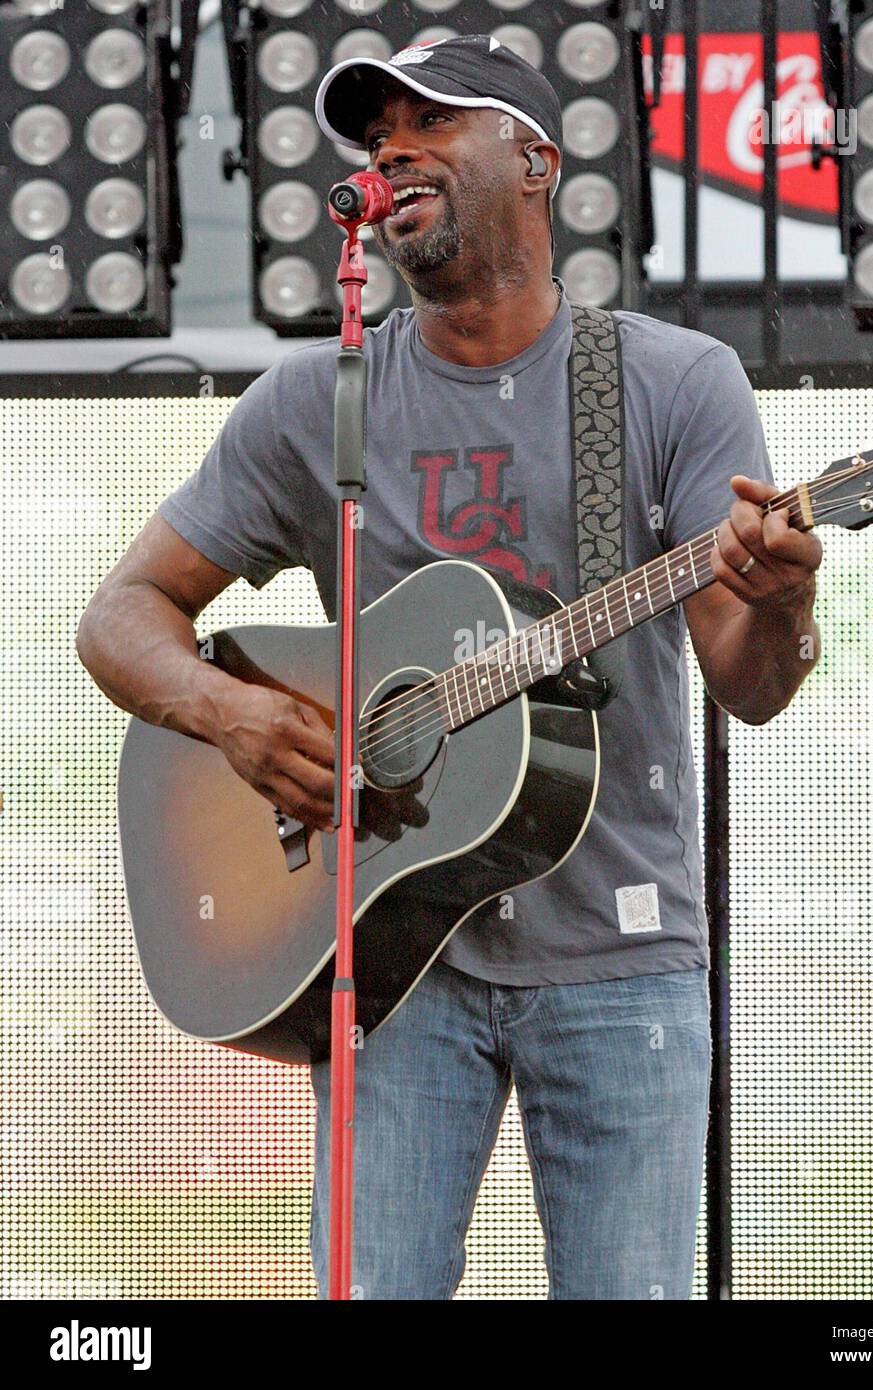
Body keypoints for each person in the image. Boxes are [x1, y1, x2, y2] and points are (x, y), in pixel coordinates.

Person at [76, 34, 823, 1300]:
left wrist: (786, 597)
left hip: (620, 960)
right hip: (387, 956)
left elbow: (747, 685)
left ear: (533, 160)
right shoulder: (318, 400)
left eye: (431, 123)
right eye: (377, 138)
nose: (393, 151)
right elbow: (120, 615)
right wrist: (234, 713)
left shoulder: (668, 382)